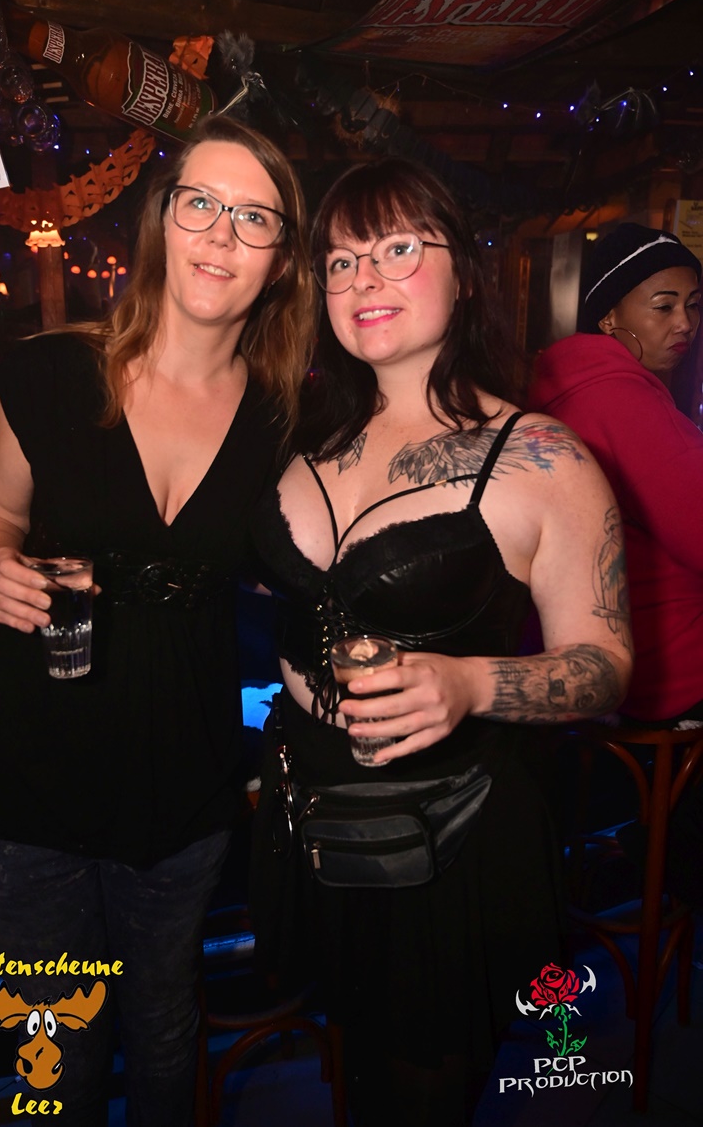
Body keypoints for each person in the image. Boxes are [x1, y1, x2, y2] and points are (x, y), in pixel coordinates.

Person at [0, 114, 315, 1127]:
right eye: (201, 203)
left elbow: (311, 563)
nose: (221, 234)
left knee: (162, 1025)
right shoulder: (52, 373)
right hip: (19, 778)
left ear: (282, 260)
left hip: (179, 783)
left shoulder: (288, 419)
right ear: (161, 221)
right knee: (60, 1042)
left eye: (254, 218)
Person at [249, 157, 633, 1126]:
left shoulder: (541, 457)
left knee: (421, 1089)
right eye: (340, 261)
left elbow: (605, 666)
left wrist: (469, 682)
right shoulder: (298, 436)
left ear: (463, 272)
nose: (363, 279)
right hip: (308, 811)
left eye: (396, 249)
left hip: (449, 835)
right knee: (350, 1065)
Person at [529, 222, 703, 905]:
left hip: (593, 651)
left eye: (693, 305)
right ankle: (665, 862)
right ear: (608, 315)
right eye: (663, 305)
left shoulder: (568, 384)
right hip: (664, 665)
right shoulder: (620, 398)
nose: (684, 323)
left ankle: (648, 852)